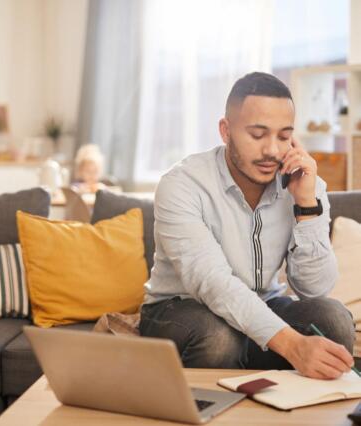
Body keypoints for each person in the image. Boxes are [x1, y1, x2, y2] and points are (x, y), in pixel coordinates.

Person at [139, 72, 355, 380]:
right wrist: (293, 346)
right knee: (218, 339)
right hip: (180, 311)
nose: (272, 151)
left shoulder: (306, 185)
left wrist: (306, 206)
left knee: (334, 320)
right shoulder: (182, 184)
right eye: (257, 135)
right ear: (225, 131)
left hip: (262, 305)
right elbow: (212, 283)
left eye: (283, 137)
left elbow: (315, 289)